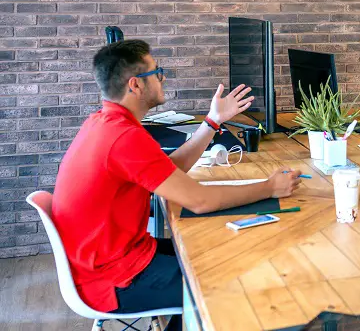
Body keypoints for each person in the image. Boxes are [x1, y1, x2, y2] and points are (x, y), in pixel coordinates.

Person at [51, 40, 301, 329]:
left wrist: (213, 122)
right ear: (136, 85)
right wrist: (269, 188)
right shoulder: (123, 137)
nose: (163, 77)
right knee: (240, 282)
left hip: (113, 259)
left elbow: (169, 171)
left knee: (217, 252)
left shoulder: (104, 122)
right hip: (115, 278)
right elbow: (200, 201)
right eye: (157, 72)